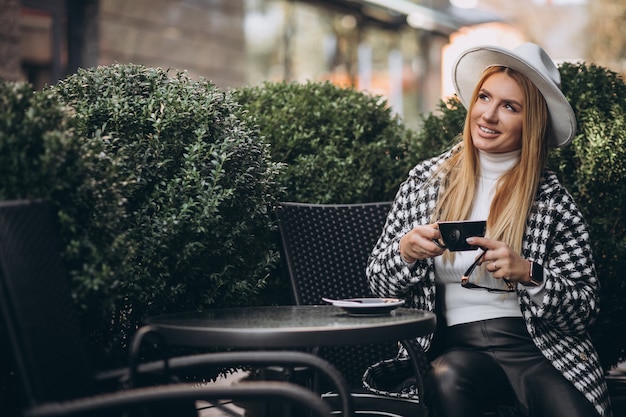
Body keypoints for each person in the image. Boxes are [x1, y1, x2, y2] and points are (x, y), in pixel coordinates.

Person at [366, 43, 611, 417]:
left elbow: (584, 311)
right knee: (447, 379)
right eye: (484, 97)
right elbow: (378, 283)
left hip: (538, 348)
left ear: (532, 123)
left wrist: (530, 274)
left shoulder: (551, 201)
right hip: (453, 348)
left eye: (510, 107)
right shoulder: (426, 182)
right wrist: (405, 252)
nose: (489, 115)